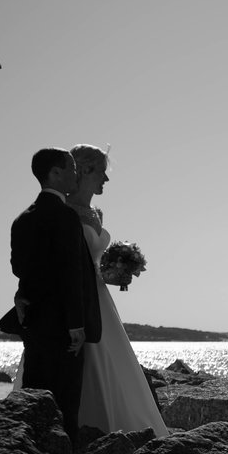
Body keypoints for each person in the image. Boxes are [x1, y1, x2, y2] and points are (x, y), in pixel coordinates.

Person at [64, 143, 169, 437]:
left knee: (114, 364)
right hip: (77, 299)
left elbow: (92, 264)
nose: (106, 180)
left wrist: (116, 273)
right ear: (84, 170)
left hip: (101, 300)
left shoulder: (97, 213)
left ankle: (121, 431)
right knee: (85, 364)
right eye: (101, 172)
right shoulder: (64, 211)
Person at [10, 148, 102, 437]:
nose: (76, 174)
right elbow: (70, 272)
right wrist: (76, 324)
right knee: (66, 399)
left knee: (35, 393)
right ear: (55, 173)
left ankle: (30, 451)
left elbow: (19, 268)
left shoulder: (22, 218)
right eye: (71, 168)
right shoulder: (65, 217)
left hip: (35, 321)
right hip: (63, 325)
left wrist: (26, 295)